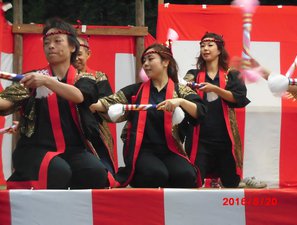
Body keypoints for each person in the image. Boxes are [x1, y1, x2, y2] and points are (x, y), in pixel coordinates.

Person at [0, 18, 113, 189]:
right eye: (46, 43)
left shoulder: (84, 79)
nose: (50, 46)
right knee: (59, 171)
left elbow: (78, 96)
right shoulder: (33, 78)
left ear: (73, 47)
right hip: (36, 149)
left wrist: (46, 81)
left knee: (95, 172)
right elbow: (6, 103)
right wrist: (42, 79)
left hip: (74, 149)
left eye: (57, 41)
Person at [90, 43, 207, 188]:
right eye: (144, 61)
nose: (145, 64)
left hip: (171, 148)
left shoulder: (180, 91)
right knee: (156, 174)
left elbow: (199, 111)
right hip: (142, 149)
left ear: (165, 62)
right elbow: (110, 102)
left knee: (186, 175)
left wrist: (180, 101)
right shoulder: (136, 90)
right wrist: (94, 105)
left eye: (150, 59)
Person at [183, 32, 251, 188]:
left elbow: (239, 98)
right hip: (200, 138)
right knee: (194, 181)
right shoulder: (193, 75)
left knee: (231, 183)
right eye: (202, 46)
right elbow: (181, 87)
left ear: (219, 50)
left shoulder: (231, 74)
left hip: (224, 138)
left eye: (209, 45)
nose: (205, 49)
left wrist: (216, 89)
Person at [74, 36, 116, 174]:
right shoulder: (60, 78)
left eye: (79, 54)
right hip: (69, 128)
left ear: (88, 54)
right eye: (73, 54)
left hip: (95, 129)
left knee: (105, 171)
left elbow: (110, 101)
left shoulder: (99, 76)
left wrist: (95, 106)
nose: (76, 58)